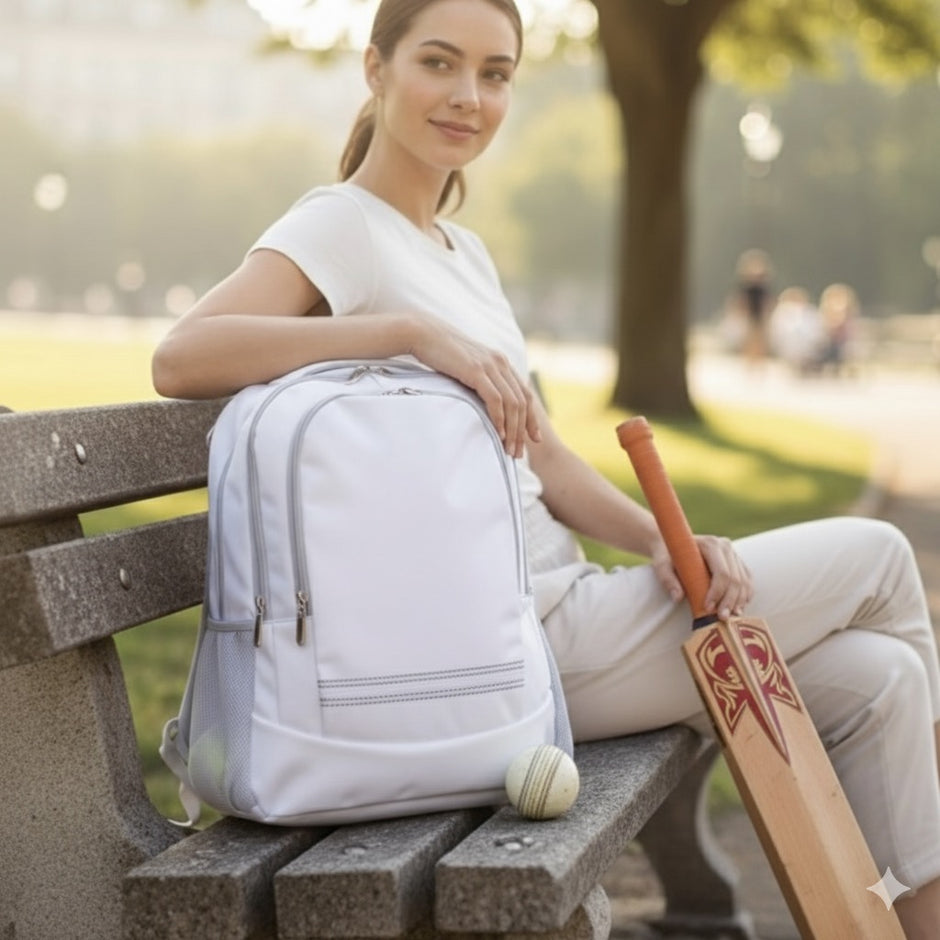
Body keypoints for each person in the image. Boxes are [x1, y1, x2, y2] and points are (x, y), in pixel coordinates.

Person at [151, 0, 940, 934]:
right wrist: (409, 334)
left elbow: (548, 457)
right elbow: (181, 358)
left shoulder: (463, 252)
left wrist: (665, 538)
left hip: (571, 613)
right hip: (501, 646)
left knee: (881, 675)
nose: (468, 96)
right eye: (439, 64)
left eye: (495, 73)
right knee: (883, 558)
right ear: (375, 68)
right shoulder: (343, 226)